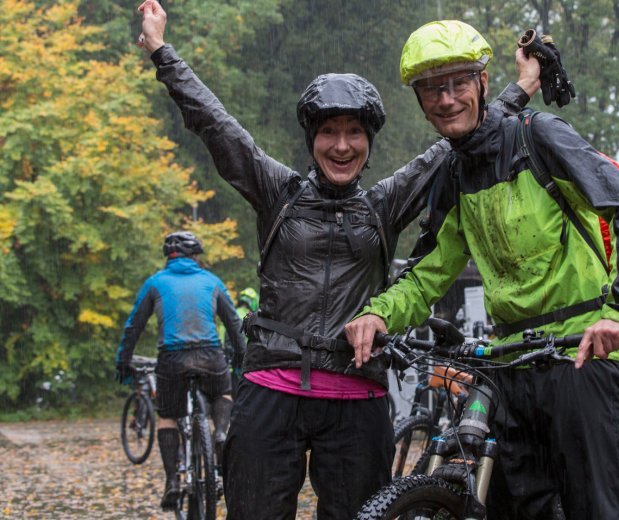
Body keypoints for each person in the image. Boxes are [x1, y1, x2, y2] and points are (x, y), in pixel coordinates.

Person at [133, 2, 540, 518]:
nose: (342, 146)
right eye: (329, 132)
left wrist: (522, 85)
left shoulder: (384, 204)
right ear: (312, 140)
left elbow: (456, 142)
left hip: (357, 396)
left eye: (355, 134)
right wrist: (160, 50)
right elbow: (215, 124)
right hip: (271, 387)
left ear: (369, 143)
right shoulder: (276, 191)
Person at [345, 20, 619, 520]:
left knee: (600, 509)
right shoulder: (453, 172)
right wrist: (379, 314)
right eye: (432, 89)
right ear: (421, 101)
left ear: (482, 84)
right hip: (508, 365)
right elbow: (428, 272)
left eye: (457, 84)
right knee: (510, 510)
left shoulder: (538, 137)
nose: (446, 99)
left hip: (579, 355)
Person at [115, 231, 245, 511]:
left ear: (169, 257)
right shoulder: (211, 281)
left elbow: (133, 326)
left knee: (169, 417)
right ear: (195, 256)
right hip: (211, 356)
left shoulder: (155, 282)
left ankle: (173, 481)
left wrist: (123, 361)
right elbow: (234, 323)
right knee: (223, 394)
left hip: (172, 359)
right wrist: (243, 359)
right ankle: (220, 433)